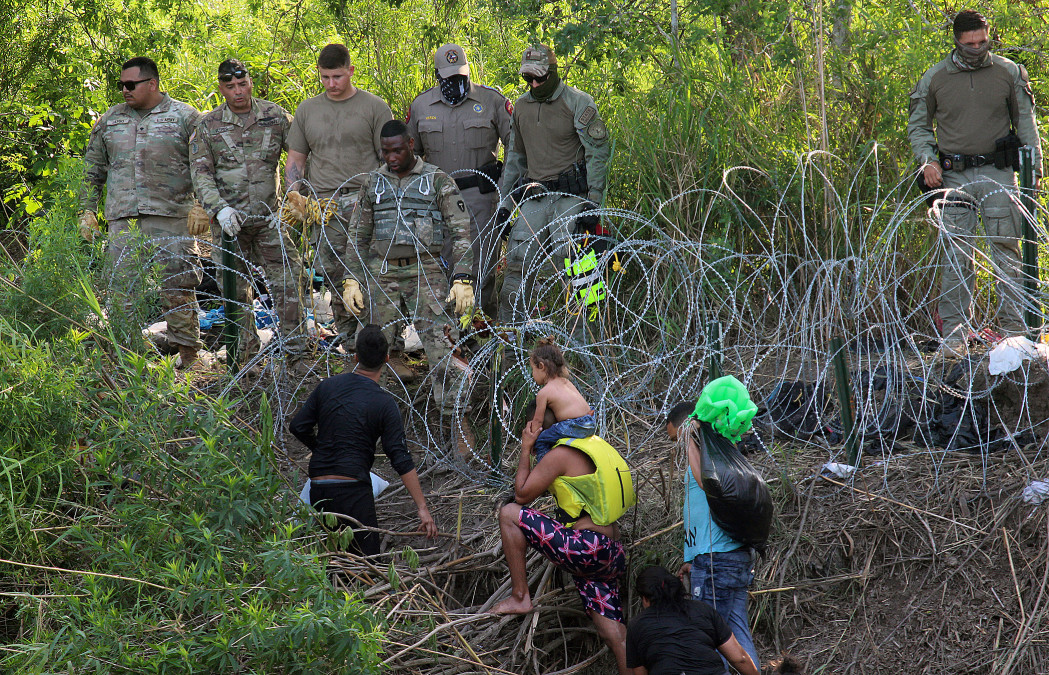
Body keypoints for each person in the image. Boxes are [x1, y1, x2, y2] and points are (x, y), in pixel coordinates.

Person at [908, 9, 1043, 348]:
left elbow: (1026, 123)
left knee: (1007, 251)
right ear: (956, 41)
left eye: (983, 42)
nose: (977, 48)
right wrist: (927, 161)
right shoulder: (935, 78)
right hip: (954, 176)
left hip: (999, 172)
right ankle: (955, 337)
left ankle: (1018, 335)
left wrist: (1035, 170)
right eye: (970, 44)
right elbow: (919, 126)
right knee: (956, 256)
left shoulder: (1008, 72)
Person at [339, 119, 475, 451]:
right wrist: (351, 279)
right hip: (383, 270)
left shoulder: (436, 180)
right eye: (386, 152)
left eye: (398, 150)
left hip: (425, 269)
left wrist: (462, 278)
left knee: (443, 345)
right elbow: (358, 235)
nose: (392, 157)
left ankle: (457, 422)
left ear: (411, 144)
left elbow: (460, 231)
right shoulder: (374, 183)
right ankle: (365, 423)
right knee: (370, 349)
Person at [80, 56, 207, 368]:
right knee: (122, 289)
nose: (125, 90)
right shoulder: (110, 120)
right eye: (121, 84)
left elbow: (204, 164)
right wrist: (87, 210)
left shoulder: (185, 117)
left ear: (152, 83)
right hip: (124, 219)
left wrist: (203, 204)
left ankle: (189, 355)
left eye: (131, 84)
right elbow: (92, 169)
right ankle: (127, 358)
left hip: (171, 217)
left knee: (179, 285)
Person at [493, 399, 635, 675]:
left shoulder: (561, 453)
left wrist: (526, 448)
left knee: (509, 513)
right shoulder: (592, 444)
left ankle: (520, 596)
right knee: (614, 634)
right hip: (610, 552)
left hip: (585, 547)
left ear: (536, 426)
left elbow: (521, 494)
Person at [190, 58, 306, 367]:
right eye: (230, 86)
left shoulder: (275, 116)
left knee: (289, 279)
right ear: (221, 88)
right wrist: (219, 209)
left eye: (243, 84)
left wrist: (295, 196)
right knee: (234, 290)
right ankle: (243, 357)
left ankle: (296, 351)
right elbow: (201, 174)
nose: (238, 91)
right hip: (231, 224)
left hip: (269, 219)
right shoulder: (208, 125)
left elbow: (298, 154)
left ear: (251, 82)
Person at [288, 324, 438, 556]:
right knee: (365, 563)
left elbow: (298, 426)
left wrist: (323, 450)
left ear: (355, 356)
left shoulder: (327, 387)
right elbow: (400, 458)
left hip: (318, 487)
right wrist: (422, 508)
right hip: (353, 491)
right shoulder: (384, 403)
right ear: (387, 359)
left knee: (329, 559)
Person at [284, 43, 393, 346]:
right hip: (324, 206)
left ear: (351, 71)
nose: (331, 84)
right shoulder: (308, 110)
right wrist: (294, 196)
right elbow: (296, 160)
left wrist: (384, 201)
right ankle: (348, 341)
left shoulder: (374, 107)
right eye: (325, 77)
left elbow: (389, 160)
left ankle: (375, 344)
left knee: (369, 274)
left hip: (365, 201)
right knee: (333, 275)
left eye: (337, 76)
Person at [495, 43, 612, 323]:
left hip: (571, 197)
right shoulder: (521, 107)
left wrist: (594, 201)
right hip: (535, 196)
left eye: (540, 78)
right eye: (528, 78)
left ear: (553, 72)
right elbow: (515, 159)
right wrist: (505, 204)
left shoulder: (577, 102)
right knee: (517, 263)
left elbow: (598, 152)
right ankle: (510, 337)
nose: (534, 84)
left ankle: (585, 339)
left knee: (576, 266)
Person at [406, 43, 512, 316]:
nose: (456, 82)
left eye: (461, 76)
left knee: (480, 271)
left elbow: (516, 148)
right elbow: (409, 154)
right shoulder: (421, 106)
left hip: (480, 197)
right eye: (449, 78)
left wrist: (504, 192)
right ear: (438, 76)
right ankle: (447, 333)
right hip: (437, 200)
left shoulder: (491, 101)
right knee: (442, 269)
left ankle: (481, 331)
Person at [665, 401, 761, 672]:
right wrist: (691, 558)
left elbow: (707, 485)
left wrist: (690, 439)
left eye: (676, 438)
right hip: (721, 559)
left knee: (707, 638)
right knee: (735, 633)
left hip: (716, 561)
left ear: (690, 428)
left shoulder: (710, 458)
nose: (677, 447)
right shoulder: (716, 456)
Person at [626, 565, 759, 675]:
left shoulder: (636, 625)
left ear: (645, 598)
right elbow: (740, 658)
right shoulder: (703, 610)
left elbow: (640, 672)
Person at [529, 337, 596, 460]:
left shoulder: (544, 393)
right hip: (591, 420)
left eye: (533, 369)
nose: (532, 374)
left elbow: (538, 421)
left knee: (542, 440)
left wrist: (531, 440)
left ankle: (544, 464)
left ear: (541, 366)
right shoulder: (566, 382)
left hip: (574, 425)